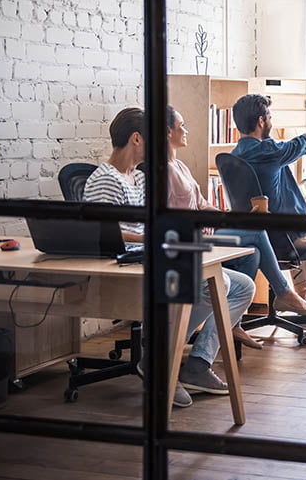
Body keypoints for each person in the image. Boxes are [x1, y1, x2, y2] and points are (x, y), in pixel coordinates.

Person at [84, 107, 255, 407]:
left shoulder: (137, 177)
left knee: (241, 286)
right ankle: (163, 361)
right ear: (137, 139)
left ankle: (190, 362)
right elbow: (103, 234)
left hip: (152, 255)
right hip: (127, 265)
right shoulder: (106, 179)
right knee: (216, 284)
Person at [165, 105, 306, 330]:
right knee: (256, 230)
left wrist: (227, 217)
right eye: (182, 126)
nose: (186, 130)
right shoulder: (163, 171)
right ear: (169, 132)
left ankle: (233, 326)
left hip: (207, 233)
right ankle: (284, 291)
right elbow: (172, 217)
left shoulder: (180, 166)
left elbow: (201, 205)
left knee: (253, 253)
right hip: (189, 241)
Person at [231, 81, 306, 306]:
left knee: (301, 222)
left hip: (259, 237)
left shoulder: (235, 155)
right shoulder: (271, 151)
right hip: (288, 238)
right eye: (269, 117)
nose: (271, 121)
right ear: (261, 121)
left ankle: (300, 295)